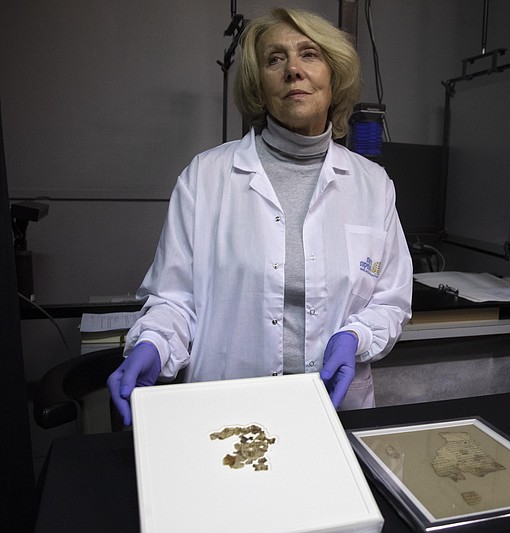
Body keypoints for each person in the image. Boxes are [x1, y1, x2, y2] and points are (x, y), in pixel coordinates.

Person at [107, 7, 413, 425]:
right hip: (225, 413)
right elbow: (176, 300)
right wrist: (154, 344)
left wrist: (354, 336)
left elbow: (390, 301)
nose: (293, 70)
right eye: (275, 59)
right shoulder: (205, 176)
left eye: (309, 54)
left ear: (333, 75)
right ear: (259, 86)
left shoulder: (372, 185)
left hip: (334, 414)